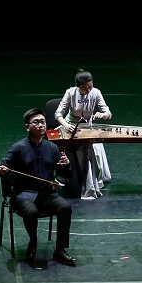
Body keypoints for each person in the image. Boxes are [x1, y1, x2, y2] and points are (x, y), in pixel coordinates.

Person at [0, 108, 77, 266]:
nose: (41, 125)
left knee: (65, 207)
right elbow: (2, 167)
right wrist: (1, 170)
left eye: (43, 122)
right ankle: (33, 242)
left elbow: (62, 172)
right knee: (31, 211)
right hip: (23, 194)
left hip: (46, 194)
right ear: (28, 127)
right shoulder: (18, 148)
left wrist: (65, 166)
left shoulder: (52, 148)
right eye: (36, 122)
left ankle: (60, 250)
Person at [54, 70, 112, 200]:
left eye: (90, 87)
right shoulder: (70, 92)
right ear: (78, 86)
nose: (88, 90)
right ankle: (62, 175)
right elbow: (58, 113)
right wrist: (65, 125)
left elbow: (108, 113)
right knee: (60, 144)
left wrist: (102, 115)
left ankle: (89, 179)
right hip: (70, 125)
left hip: (87, 128)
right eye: (84, 88)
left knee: (90, 148)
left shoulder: (96, 93)